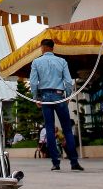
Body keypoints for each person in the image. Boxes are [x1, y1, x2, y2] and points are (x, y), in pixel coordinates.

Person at [29, 39, 84, 171]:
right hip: (59, 95)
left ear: (42, 48)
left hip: (45, 96)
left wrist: (36, 97)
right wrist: (68, 96)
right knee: (67, 129)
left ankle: (55, 163)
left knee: (49, 129)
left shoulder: (36, 62)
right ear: (53, 48)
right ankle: (74, 162)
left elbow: (33, 82)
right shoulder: (62, 61)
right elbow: (68, 81)